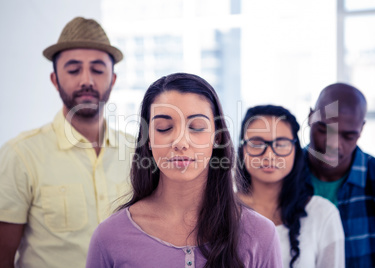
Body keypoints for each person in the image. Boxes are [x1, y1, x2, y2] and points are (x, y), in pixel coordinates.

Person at [86, 73, 283, 268]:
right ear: (148, 140)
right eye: (164, 128)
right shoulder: (109, 237)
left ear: (218, 137)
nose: (180, 142)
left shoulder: (260, 234)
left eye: (196, 127)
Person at [0, 17, 134, 268]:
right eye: (73, 70)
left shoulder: (138, 152)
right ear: (54, 79)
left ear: (113, 80)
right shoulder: (20, 155)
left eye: (97, 69)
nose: (86, 80)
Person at [236, 105, 345, 268]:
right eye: (257, 144)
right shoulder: (218, 210)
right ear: (242, 149)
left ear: (295, 149)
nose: (269, 155)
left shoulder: (323, 214)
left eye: (281, 144)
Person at [306, 83, 375, 267]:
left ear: (361, 129)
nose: (333, 144)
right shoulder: (280, 177)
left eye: (348, 136)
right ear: (310, 117)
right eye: (324, 130)